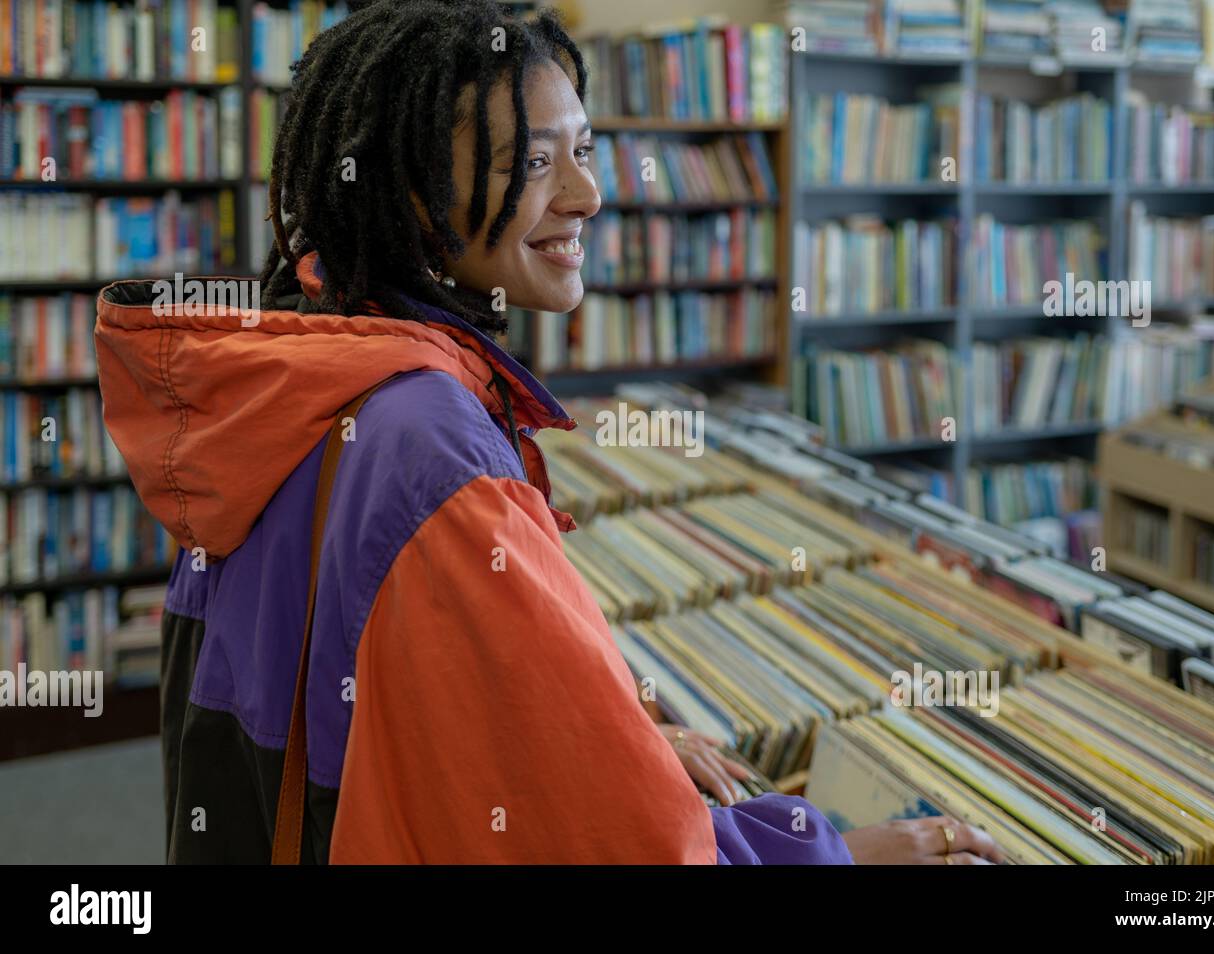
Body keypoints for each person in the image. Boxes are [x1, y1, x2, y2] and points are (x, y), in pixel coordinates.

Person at [95, 0, 1003, 865]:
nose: (588, 194)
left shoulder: (293, 370)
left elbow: (385, 700)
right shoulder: (430, 448)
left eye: (587, 150)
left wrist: (601, 748)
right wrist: (837, 852)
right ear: (414, 193)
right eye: (533, 163)